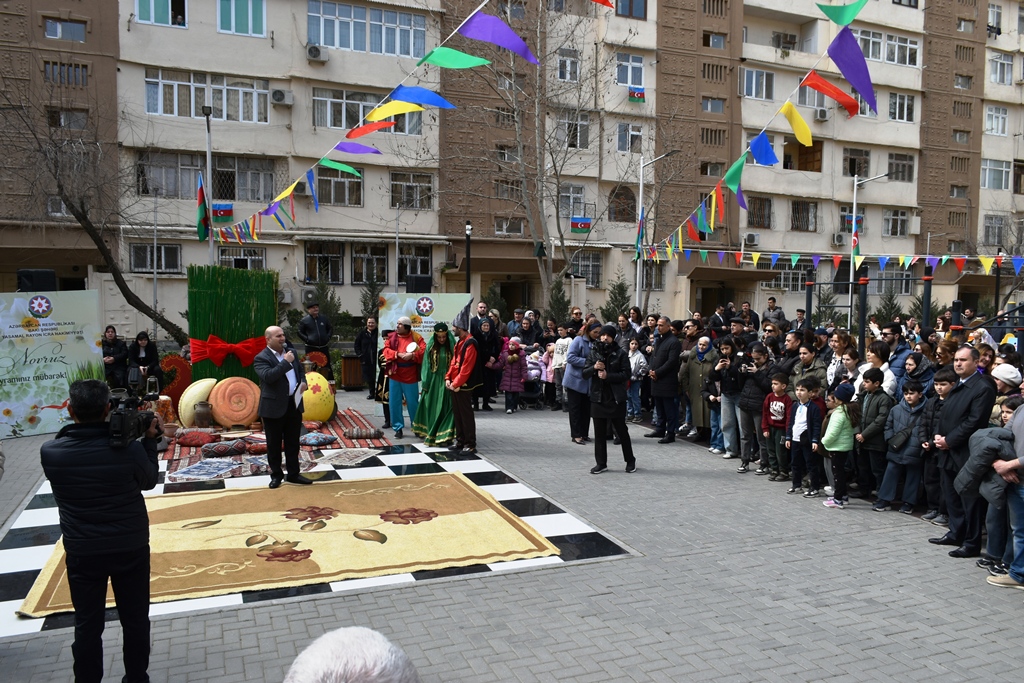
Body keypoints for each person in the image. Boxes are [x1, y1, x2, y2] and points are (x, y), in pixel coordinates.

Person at [40, 379, 161, 683]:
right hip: (129, 546)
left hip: (83, 551)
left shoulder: (51, 453)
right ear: (108, 408)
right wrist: (148, 439)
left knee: (87, 625)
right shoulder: (129, 450)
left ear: (69, 409)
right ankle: (136, 678)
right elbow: (148, 481)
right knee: (134, 621)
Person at [929, 346, 997, 558]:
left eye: (963, 360)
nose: (958, 363)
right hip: (947, 449)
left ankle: (971, 542)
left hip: (965, 451)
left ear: (976, 362)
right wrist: (939, 437)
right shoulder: (959, 384)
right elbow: (947, 414)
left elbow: (974, 421)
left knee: (970, 499)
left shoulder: (982, 386)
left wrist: (949, 440)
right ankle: (956, 532)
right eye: (956, 360)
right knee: (951, 495)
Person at [254, 326, 311, 488]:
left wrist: (303, 382)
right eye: (278, 336)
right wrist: (286, 362)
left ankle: (294, 474)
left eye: (283, 335)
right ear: (268, 339)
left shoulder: (291, 352)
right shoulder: (261, 358)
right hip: (273, 407)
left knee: (293, 442)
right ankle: (276, 476)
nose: (282, 338)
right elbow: (269, 377)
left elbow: (300, 371)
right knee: (274, 444)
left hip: (293, 404)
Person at [584, 324, 636, 474]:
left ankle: (630, 460)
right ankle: (601, 463)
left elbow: (626, 374)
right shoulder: (594, 352)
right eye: (602, 335)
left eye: (607, 335)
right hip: (597, 397)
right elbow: (584, 373)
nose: (604, 337)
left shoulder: (620, 353)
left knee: (621, 431)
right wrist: (594, 368)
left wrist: (609, 376)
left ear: (613, 337)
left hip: (615, 398)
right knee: (599, 433)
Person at [873, 380, 926, 513]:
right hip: (896, 447)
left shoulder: (926, 410)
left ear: (920, 394)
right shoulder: (896, 409)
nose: (908, 396)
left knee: (913, 476)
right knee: (890, 472)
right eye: (906, 393)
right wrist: (890, 438)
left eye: (912, 393)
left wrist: (921, 443)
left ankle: (909, 502)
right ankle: (884, 499)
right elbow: (888, 426)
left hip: (915, 448)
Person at [447, 304, 482, 455]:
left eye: (454, 327)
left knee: (466, 414)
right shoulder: (460, 342)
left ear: (460, 327)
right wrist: (448, 377)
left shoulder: (470, 343)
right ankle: (460, 440)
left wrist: (455, 383)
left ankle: (470, 443)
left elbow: (466, 368)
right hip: (456, 383)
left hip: (464, 384)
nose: (453, 329)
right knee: (458, 413)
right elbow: (454, 362)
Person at [854, 367, 893, 499]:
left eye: (867, 381)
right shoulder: (864, 396)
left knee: (877, 469)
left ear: (877, 383)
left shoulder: (883, 399)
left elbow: (880, 420)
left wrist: (864, 434)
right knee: (863, 467)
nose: (864, 384)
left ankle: (881, 494)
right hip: (862, 439)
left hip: (875, 441)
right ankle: (864, 489)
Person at [413, 323, 455, 447]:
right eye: (439, 337)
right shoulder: (431, 347)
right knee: (433, 407)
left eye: (444, 337)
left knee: (446, 408)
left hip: (447, 381)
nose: (442, 339)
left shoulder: (452, 347)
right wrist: (425, 382)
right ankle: (433, 432)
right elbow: (426, 365)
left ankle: (445, 434)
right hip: (434, 381)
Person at [383, 317, 424, 440]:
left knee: (413, 403)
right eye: (397, 323)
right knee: (395, 402)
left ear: (407, 327)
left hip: (410, 374)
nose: (397, 326)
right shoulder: (391, 337)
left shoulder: (416, 337)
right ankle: (398, 428)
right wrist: (397, 354)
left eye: (400, 324)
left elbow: (423, 350)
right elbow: (385, 350)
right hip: (395, 374)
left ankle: (416, 427)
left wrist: (412, 355)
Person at [737, 343, 774, 473]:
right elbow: (741, 385)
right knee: (745, 435)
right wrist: (742, 373)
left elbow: (769, 387)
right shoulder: (751, 366)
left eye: (758, 359)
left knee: (761, 436)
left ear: (765, 356)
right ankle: (744, 461)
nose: (755, 362)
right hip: (745, 403)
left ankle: (764, 463)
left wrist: (757, 373)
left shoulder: (772, 368)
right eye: (754, 359)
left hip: (759, 406)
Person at [821, 382, 859, 509]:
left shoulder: (839, 414)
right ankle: (843, 495)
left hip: (837, 447)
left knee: (837, 474)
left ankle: (838, 500)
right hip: (844, 446)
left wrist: (824, 441)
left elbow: (833, 432)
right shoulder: (848, 410)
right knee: (840, 472)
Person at [646, 316, 682, 443]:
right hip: (656, 379)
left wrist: (657, 372)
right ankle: (660, 429)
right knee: (659, 406)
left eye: (661, 325)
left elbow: (671, 362)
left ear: (668, 326)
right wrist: (651, 370)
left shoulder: (674, 342)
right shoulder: (658, 340)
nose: (658, 328)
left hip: (666, 380)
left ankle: (670, 432)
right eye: (658, 325)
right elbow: (653, 357)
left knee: (669, 408)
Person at [785, 377, 823, 496]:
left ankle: (815, 488)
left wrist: (815, 440)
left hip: (807, 439)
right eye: (797, 389)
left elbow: (817, 425)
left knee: (811, 464)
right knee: (795, 463)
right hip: (795, 439)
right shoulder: (795, 406)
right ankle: (796, 485)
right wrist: (788, 437)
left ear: (810, 393)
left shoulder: (814, 408)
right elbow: (791, 422)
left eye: (802, 390)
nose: (799, 392)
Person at [564, 322, 600, 445]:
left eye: (599, 332)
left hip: (588, 382)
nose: (597, 335)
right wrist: (588, 363)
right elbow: (570, 358)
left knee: (586, 409)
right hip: (575, 380)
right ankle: (576, 434)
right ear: (589, 330)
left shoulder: (597, 343)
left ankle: (584, 433)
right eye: (595, 332)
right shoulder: (578, 340)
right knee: (575, 409)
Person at [710, 336, 743, 459]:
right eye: (722, 349)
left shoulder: (739, 357)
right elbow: (713, 378)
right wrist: (716, 369)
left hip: (738, 393)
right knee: (727, 423)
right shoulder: (719, 359)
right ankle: (730, 449)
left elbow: (741, 375)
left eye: (727, 348)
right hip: (725, 393)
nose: (724, 351)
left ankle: (746, 451)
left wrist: (731, 368)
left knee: (742, 424)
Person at [762, 373, 793, 481]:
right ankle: (774, 469)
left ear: (783, 386)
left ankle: (783, 471)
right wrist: (765, 428)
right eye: (772, 384)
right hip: (770, 428)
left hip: (781, 429)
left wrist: (788, 431)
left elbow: (789, 417)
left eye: (776, 384)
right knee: (771, 450)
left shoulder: (787, 399)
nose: (773, 386)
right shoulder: (769, 397)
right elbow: (765, 413)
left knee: (781, 451)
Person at [297, 302, 334, 381]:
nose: (316, 309)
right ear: (309, 310)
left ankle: (330, 385)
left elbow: (330, 328)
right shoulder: (304, 320)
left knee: (326, 367)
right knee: (311, 367)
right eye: (313, 308)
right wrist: (307, 339)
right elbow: (299, 332)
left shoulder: (324, 318)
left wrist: (327, 337)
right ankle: (311, 385)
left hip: (323, 347)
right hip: (311, 348)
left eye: (317, 307)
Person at [499, 338, 528, 414]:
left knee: (515, 394)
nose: (511, 346)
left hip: (517, 377)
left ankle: (514, 406)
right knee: (508, 394)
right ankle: (508, 407)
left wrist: (524, 376)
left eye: (513, 345)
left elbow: (524, 366)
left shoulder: (521, 355)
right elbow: (501, 364)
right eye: (510, 344)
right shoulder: (505, 354)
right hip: (507, 377)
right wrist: (492, 366)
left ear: (517, 346)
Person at [353, 317, 379, 399]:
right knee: (369, 377)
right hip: (366, 360)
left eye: (372, 323)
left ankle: (379, 393)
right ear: (367, 324)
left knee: (377, 376)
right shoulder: (362, 334)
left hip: (377, 359)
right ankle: (372, 393)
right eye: (369, 323)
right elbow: (356, 345)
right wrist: (360, 354)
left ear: (376, 323)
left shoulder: (378, 333)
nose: (371, 324)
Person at [626, 338, 648, 423]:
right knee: (628, 396)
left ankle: (637, 414)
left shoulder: (640, 355)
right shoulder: (627, 354)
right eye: (632, 343)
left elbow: (645, 367)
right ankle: (630, 413)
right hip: (628, 379)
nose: (634, 346)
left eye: (635, 344)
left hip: (636, 379)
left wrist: (638, 374)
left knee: (635, 396)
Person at [101, 325, 128, 389]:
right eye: (108, 332)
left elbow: (125, 354)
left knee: (120, 377)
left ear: (115, 333)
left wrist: (114, 358)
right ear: (105, 334)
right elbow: (96, 354)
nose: (110, 333)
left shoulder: (121, 343)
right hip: (105, 366)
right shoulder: (101, 343)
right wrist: (103, 359)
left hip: (118, 366)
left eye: (112, 332)